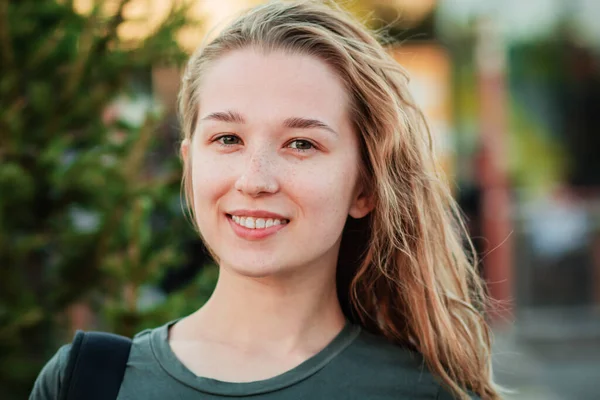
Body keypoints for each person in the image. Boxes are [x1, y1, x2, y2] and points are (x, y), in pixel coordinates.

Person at [31, 1, 501, 399]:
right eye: (228, 138)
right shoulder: (85, 382)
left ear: (365, 187)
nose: (255, 180)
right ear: (189, 163)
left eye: (301, 144)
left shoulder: (425, 393)